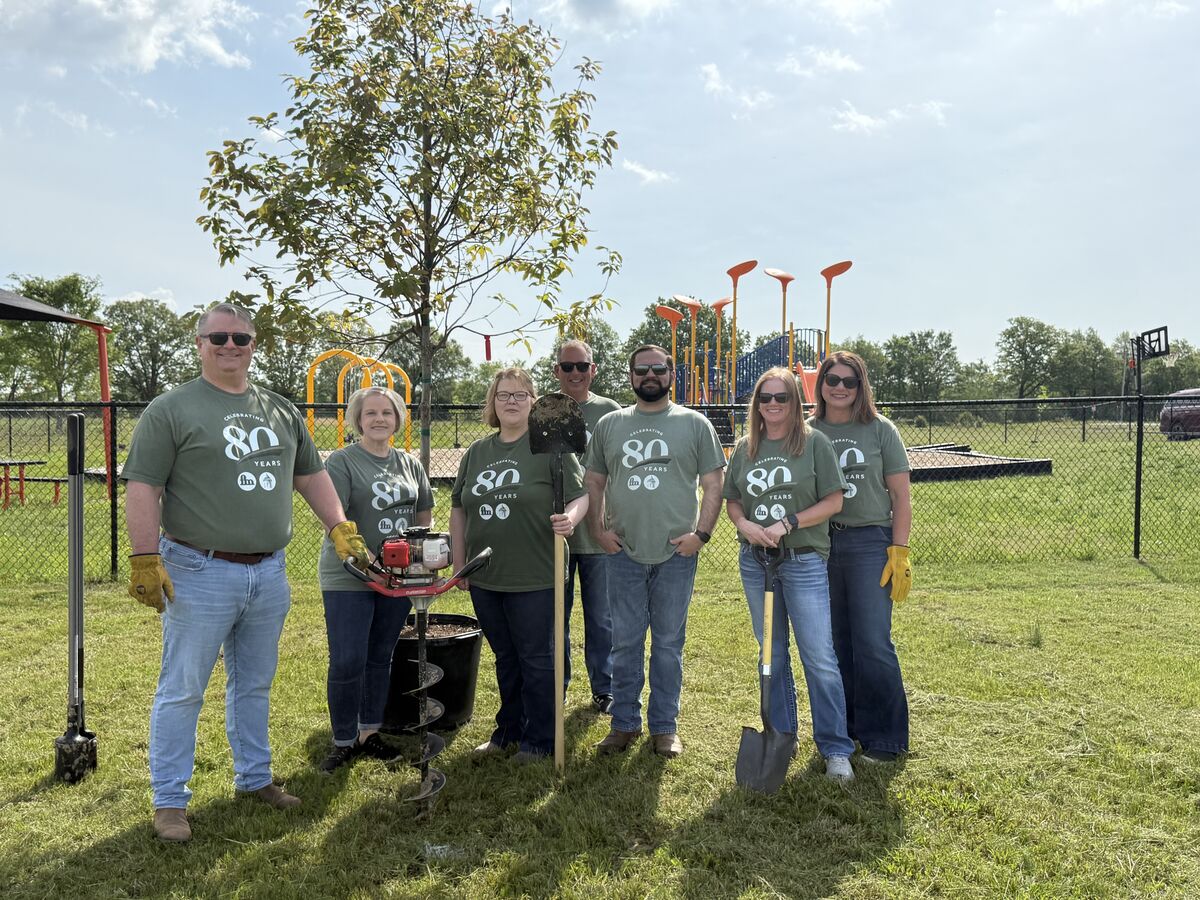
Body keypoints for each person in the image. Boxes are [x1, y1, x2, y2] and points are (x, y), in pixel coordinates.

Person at [124, 302, 370, 843]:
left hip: (269, 571)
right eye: (218, 337)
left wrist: (340, 527)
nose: (229, 346)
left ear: (253, 344)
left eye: (240, 337)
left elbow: (310, 477)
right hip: (197, 568)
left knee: (254, 683)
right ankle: (169, 801)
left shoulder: (278, 409)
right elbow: (143, 486)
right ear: (199, 343)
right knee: (183, 688)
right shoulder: (172, 409)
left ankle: (255, 779)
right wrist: (145, 556)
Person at [584, 345, 725, 759]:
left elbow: (714, 483)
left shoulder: (694, 424)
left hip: (676, 555)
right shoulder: (612, 425)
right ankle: (624, 724)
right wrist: (598, 530)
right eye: (641, 369)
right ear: (630, 376)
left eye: (658, 369)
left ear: (670, 374)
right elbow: (593, 482)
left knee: (667, 643)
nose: (650, 375)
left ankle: (665, 727)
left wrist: (702, 534)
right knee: (625, 642)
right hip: (622, 551)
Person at [724, 367, 856, 781]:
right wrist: (744, 526)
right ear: (757, 404)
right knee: (771, 654)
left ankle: (836, 748)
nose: (773, 405)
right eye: (766, 398)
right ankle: (782, 733)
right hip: (756, 562)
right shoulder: (745, 448)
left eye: (782, 397)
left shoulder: (814, 444)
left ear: (796, 401)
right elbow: (732, 501)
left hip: (802, 561)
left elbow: (834, 501)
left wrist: (789, 523)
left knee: (819, 656)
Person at [450, 367, 588, 762]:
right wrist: (460, 560)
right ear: (492, 403)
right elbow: (459, 507)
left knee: (537, 658)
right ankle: (508, 731)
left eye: (520, 395)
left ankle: (541, 739)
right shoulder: (477, 452)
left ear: (533, 402)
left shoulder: (551, 449)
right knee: (506, 657)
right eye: (503, 394)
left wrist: (572, 518)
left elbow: (581, 497)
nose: (511, 401)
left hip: (536, 574)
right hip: (487, 574)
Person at [316, 385, 434, 773]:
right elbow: (337, 518)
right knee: (348, 658)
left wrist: (416, 562)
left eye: (387, 412)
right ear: (357, 420)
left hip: (397, 578)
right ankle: (343, 739)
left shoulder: (409, 463)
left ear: (398, 418)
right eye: (371, 413)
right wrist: (370, 565)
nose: (380, 419)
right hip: (350, 575)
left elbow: (423, 514)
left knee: (380, 657)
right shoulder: (343, 462)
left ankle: (370, 732)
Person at [809, 351, 913, 764]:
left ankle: (886, 738)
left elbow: (901, 497)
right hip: (820, 545)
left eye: (848, 381)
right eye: (831, 379)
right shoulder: (807, 431)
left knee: (872, 642)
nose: (839, 387)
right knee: (834, 643)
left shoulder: (879, 430)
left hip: (871, 543)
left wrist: (899, 550)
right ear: (820, 385)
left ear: (861, 386)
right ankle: (846, 729)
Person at [553, 338, 622, 714]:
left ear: (593, 370)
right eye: (568, 367)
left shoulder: (610, 412)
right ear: (557, 371)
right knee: (555, 618)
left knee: (602, 619)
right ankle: (557, 687)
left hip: (598, 532)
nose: (575, 373)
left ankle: (604, 688)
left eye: (582, 367)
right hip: (556, 535)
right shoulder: (544, 411)